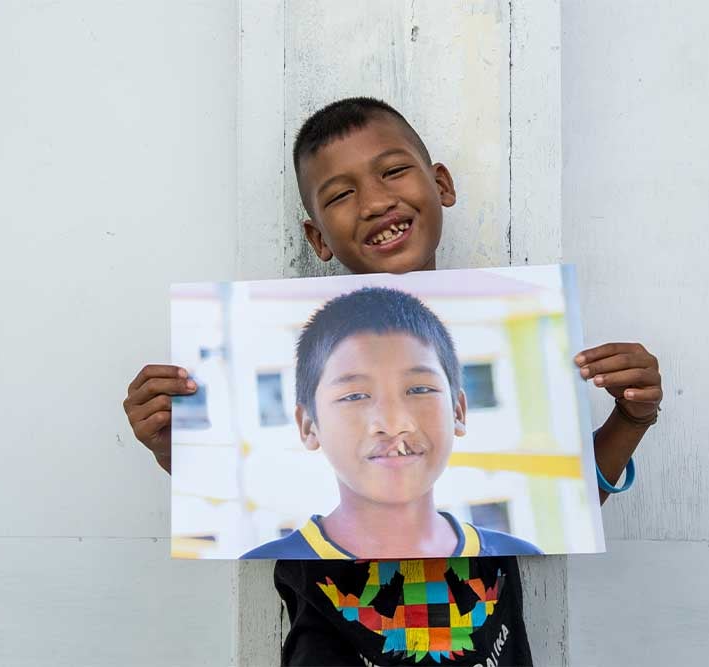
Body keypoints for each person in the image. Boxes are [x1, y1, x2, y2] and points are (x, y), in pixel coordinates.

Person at [123, 97, 663, 666]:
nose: (377, 201)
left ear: (442, 185)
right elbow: (236, 507)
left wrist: (631, 418)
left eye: (393, 171)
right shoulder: (285, 531)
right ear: (318, 237)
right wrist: (171, 445)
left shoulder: (498, 526)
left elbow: (569, 504)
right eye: (340, 193)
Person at [241, 286, 542, 560]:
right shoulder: (265, 570)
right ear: (308, 426)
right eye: (355, 395)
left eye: (420, 389)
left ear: (458, 412)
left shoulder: (520, 559)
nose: (393, 423)